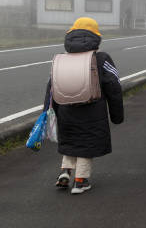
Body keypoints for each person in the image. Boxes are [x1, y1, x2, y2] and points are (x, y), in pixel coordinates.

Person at [45, 17, 124, 195]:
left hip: (65, 109)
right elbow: (114, 86)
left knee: (71, 140)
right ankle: (80, 181)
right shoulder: (101, 58)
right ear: (96, 37)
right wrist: (117, 115)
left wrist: (48, 112)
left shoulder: (62, 59)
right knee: (87, 143)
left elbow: (52, 86)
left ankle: (65, 172)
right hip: (92, 111)